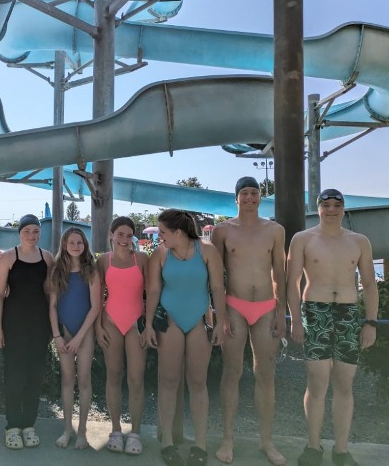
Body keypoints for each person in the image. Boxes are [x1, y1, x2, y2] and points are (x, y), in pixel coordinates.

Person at [287, 189, 379, 466]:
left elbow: (370, 284)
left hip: (348, 313)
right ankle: (313, 446)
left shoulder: (359, 241)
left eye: (337, 205)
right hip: (315, 312)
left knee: (344, 384)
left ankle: (341, 450)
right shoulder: (302, 239)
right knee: (317, 383)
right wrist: (295, 319)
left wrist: (371, 322)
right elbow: (292, 282)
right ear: (318, 208)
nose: (331, 209)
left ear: (343, 208)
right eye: (326, 205)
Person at [210, 176, 287, 466]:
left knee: (265, 374)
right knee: (232, 372)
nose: (250, 197)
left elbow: (279, 273)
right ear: (236, 198)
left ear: (260, 197)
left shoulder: (275, 230)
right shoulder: (222, 230)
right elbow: (216, 276)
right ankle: (227, 438)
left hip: (266, 307)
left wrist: (281, 312)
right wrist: (219, 314)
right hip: (234, 306)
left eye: (254, 193)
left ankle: (267, 441)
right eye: (245, 193)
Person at [142, 209, 228, 466]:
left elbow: (217, 288)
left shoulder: (207, 251)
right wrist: (148, 325)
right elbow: (153, 290)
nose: (160, 236)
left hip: (199, 322)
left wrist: (221, 322)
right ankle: (167, 442)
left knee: (198, 383)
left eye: (163, 232)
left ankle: (200, 444)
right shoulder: (160, 254)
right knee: (168, 381)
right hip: (170, 321)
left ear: (178, 232)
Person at [0, 214, 54, 450]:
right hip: (13, 325)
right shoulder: (8, 258)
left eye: (36, 231)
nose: (31, 235)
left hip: (38, 325)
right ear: (19, 233)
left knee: (34, 377)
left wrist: (52, 328)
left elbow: (50, 294)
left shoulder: (47, 257)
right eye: (27, 231)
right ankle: (12, 426)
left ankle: (29, 425)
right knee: (14, 377)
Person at [95, 216, 149, 455]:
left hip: (136, 324)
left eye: (129, 235)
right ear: (111, 235)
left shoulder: (143, 259)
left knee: (136, 380)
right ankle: (116, 430)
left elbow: (152, 292)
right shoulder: (103, 261)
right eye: (120, 234)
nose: (124, 240)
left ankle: (135, 433)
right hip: (111, 323)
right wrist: (98, 327)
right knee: (114, 376)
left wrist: (149, 325)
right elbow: (97, 297)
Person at [48, 227, 102, 450]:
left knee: (84, 380)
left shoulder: (91, 270)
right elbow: (52, 306)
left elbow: (96, 306)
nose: (75, 246)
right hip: (64, 331)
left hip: (84, 332)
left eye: (79, 242)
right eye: (71, 242)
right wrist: (57, 336)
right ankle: (67, 429)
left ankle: (82, 432)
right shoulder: (57, 270)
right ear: (64, 244)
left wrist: (80, 337)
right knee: (67, 380)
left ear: (85, 245)